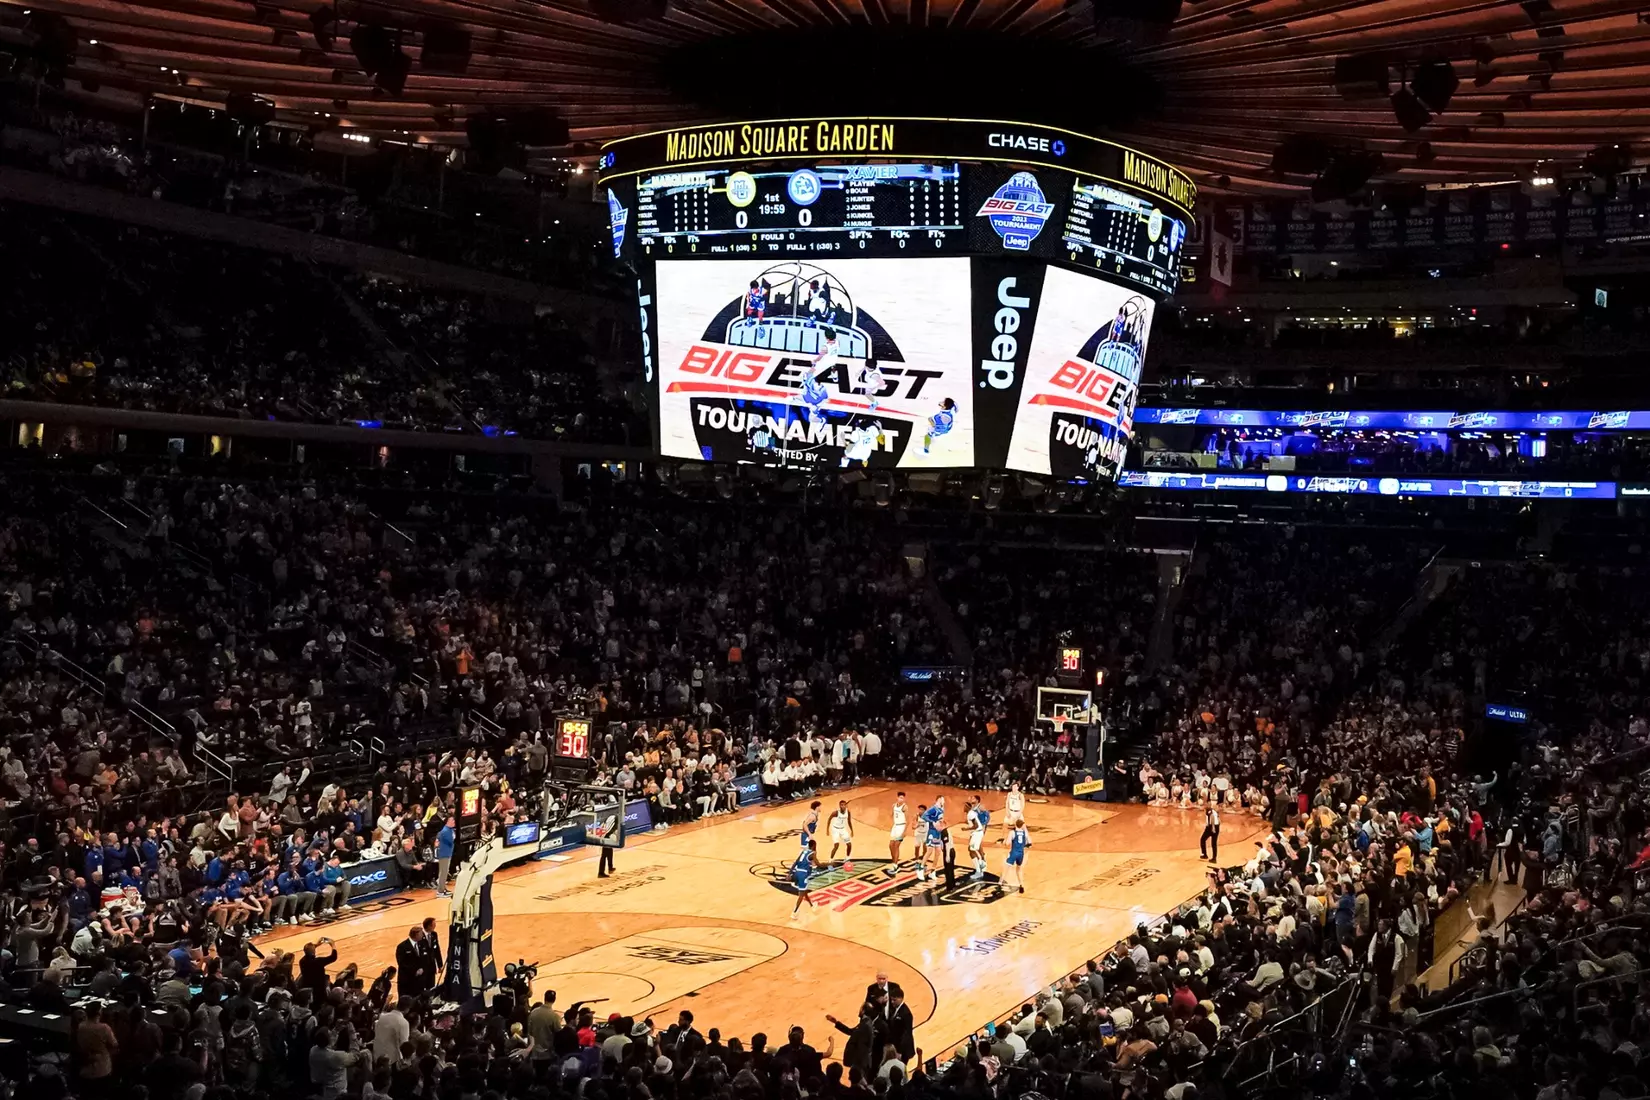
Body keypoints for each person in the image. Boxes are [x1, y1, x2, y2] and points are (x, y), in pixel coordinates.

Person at [1000, 817, 1030, 894]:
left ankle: (1000, 883)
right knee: (1019, 870)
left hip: (1014, 852)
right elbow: (1028, 843)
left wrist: (1005, 841)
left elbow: (1007, 843)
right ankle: (1021, 885)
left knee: (1006, 868)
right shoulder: (1024, 833)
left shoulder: (1012, 832)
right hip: (1021, 853)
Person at [395, 927, 427, 999]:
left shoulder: (422, 944)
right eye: (421, 934)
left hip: (419, 981)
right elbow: (401, 963)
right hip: (407, 981)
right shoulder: (402, 947)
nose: (423, 935)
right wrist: (415, 971)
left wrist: (422, 969)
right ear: (416, 935)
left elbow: (425, 959)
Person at [791, 840, 817, 916]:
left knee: (804, 891)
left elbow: (796, 861)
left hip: (797, 873)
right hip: (802, 874)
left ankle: (812, 906)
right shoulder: (812, 854)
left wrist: (790, 873)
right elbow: (818, 864)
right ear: (814, 845)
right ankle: (794, 913)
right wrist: (828, 865)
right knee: (801, 895)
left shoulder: (804, 851)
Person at [966, 797, 990, 880]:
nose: (971, 799)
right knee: (975, 846)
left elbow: (987, 815)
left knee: (973, 847)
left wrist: (984, 824)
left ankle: (982, 861)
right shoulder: (972, 808)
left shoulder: (980, 807)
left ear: (977, 800)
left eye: (973, 798)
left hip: (979, 828)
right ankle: (982, 859)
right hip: (975, 829)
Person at [827, 799, 854, 868]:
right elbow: (829, 819)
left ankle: (847, 858)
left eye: (844, 805)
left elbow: (849, 821)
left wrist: (852, 830)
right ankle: (830, 860)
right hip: (835, 829)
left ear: (846, 805)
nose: (843, 806)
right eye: (841, 805)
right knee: (836, 845)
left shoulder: (848, 812)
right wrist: (827, 830)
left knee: (849, 844)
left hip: (843, 829)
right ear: (839, 806)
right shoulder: (835, 813)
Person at [435, 816, 456, 897]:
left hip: (447, 853)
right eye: (452, 820)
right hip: (444, 854)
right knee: (443, 873)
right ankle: (440, 891)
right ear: (447, 822)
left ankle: (443, 888)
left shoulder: (449, 830)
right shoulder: (445, 831)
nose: (454, 821)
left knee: (445, 872)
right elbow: (451, 841)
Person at [889, 792, 908, 863]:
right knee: (891, 845)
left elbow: (907, 820)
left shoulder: (905, 807)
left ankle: (895, 865)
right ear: (897, 798)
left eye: (902, 798)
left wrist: (905, 831)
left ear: (904, 799)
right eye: (900, 798)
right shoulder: (894, 805)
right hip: (895, 826)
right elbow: (891, 815)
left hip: (901, 827)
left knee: (896, 846)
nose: (901, 799)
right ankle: (894, 861)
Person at [1200, 798, 1221, 863]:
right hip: (1214, 826)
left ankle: (1208, 856)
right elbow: (1218, 819)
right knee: (1210, 842)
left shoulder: (1210, 811)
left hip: (1211, 827)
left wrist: (1213, 827)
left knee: (1205, 840)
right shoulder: (1212, 810)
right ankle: (1210, 856)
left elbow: (1212, 817)